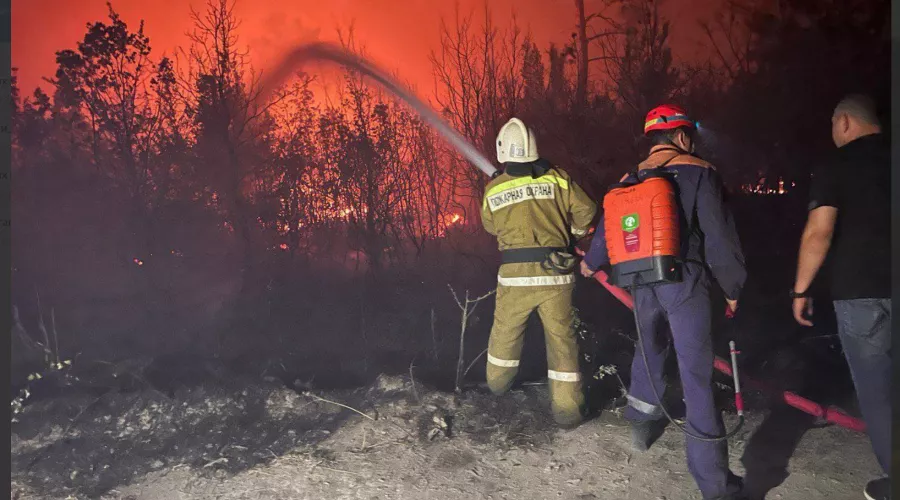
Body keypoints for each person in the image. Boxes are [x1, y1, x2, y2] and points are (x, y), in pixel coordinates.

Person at [581, 104, 748, 500]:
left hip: (640, 281)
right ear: (683, 136)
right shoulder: (700, 171)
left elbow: (606, 234)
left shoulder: (629, 179)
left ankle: (641, 423)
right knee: (696, 374)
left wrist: (590, 264)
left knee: (649, 346)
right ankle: (715, 484)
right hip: (684, 279)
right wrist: (733, 288)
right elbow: (720, 239)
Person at [791, 94, 891, 500]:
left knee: (878, 391)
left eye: (833, 123)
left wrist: (800, 289)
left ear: (846, 122)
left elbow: (819, 233)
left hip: (860, 295)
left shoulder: (837, 165)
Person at [481, 117, 597, 429]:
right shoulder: (559, 179)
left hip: (514, 275)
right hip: (555, 273)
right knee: (562, 340)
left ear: (503, 149)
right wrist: (572, 234)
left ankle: (497, 386)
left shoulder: (494, 188)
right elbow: (587, 211)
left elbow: (490, 226)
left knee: (505, 332)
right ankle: (568, 412)